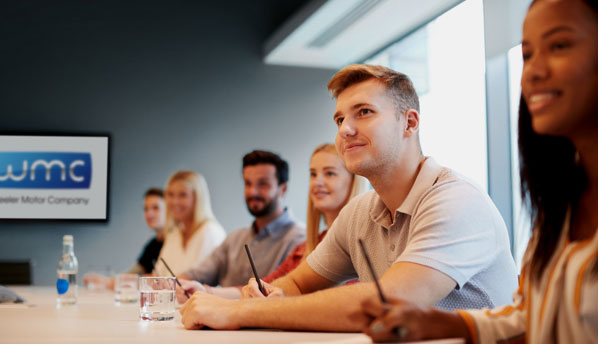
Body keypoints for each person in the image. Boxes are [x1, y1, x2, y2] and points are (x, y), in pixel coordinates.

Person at [179, 65, 518, 331]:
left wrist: (244, 310)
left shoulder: (456, 200)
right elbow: (297, 281)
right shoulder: (360, 211)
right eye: (340, 118)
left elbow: (387, 300)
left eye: (364, 112)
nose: (344, 129)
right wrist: (269, 294)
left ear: (409, 123)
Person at [357, 1, 598, 343]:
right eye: (527, 54)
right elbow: (532, 313)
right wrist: (445, 324)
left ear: (410, 123)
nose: (533, 71)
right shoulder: (562, 199)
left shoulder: (455, 198)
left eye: (559, 46)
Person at [175, 150, 305, 297]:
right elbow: (198, 274)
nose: (253, 192)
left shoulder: (299, 240)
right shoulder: (235, 238)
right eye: (248, 183)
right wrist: (174, 284)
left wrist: (208, 292)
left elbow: (281, 289)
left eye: (263, 184)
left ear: (283, 189)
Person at [83, 188, 167, 290]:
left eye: (155, 208)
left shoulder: (174, 244)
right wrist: (107, 281)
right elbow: (133, 273)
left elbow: (158, 280)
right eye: (146, 209)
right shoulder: (152, 245)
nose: (149, 214)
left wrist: (110, 283)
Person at [153, 171, 226, 276]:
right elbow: (158, 276)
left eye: (182, 195)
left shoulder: (210, 232)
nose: (175, 202)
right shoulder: (174, 234)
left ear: (198, 198)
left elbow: (206, 278)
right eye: (170, 195)